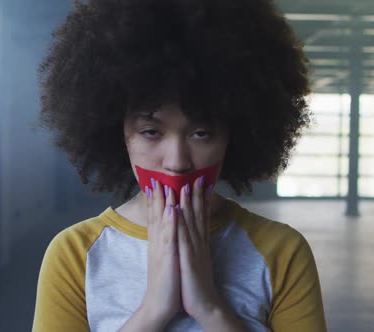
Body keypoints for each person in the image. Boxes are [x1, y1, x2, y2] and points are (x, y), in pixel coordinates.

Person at [32, 0, 327, 331]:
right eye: (151, 132)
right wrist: (154, 309)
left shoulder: (281, 252)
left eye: (201, 133)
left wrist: (210, 307)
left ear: (235, 135)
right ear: (118, 131)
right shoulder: (75, 254)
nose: (176, 162)